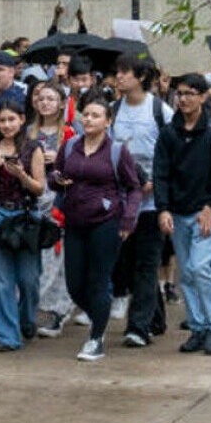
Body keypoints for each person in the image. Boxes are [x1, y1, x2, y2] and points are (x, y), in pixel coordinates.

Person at [52, 93, 143, 362]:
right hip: (74, 220)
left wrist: (128, 220)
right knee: (74, 284)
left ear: (107, 121)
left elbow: (134, 187)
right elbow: (54, 176)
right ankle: (99, 317)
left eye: (95, 115)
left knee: (98, 280)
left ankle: (96, 339)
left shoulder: (116, 151)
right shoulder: (69, 147)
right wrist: (57, 181)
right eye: (86, 114)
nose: (89, 119)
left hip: (106, 221)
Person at [154, 74, 211, 355]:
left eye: (190, 93)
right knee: (186, 274)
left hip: (205, 213)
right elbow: (160, 173)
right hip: (177, 212)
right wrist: (163, 208)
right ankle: (197, 327)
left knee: (199, 268)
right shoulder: (169, 133)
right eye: (180, 93)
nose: (184, 98)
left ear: (203, 96)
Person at [108, 57, 172, 346]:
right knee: (127, 265)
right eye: (117, 72)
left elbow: (173, 154)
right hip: (122, 206)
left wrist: (156, 184)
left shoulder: (161, 111)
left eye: (124, 72)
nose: (118, 77)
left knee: (147, 264)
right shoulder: (113, 111)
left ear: (141, 76)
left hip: (151, 205)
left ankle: (138, 327)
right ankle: (155, 317)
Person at [0, 101, 46, 352]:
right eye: (1, 120)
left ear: (21, 119)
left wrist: (22, 175)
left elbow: (40, 188)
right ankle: (7, 336)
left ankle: (27, 318)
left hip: (26, 217)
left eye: (11, 119)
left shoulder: (33, 148)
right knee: (0, 281)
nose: (7, 125)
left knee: (29, 278)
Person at [25, 81, 76, 337]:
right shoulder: (28, 132)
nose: (45, 103)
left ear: (61, 104)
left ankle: (58, 310)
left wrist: (58, 159)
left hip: (58, 200)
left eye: (51, 99)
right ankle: (29, 307)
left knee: (57, 257)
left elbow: (80, 165)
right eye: (41, 98)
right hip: (33, 199)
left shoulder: (69, 133)